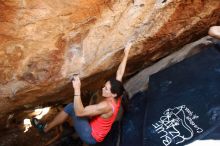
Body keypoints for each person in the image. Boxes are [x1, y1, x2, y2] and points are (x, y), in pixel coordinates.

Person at [31, 41, 133, 145]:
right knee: (78, 109)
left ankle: (45, 129)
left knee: (71, 107)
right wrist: (127, 52)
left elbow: (80, 112)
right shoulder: (118, 94)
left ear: (113, 94)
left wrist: (77, 89)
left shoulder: (106, 106)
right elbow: (120, 74)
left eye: (106, 89)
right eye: (105, 86)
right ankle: (63, 127)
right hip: (96, 128)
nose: (103, 89)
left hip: (91, 136)